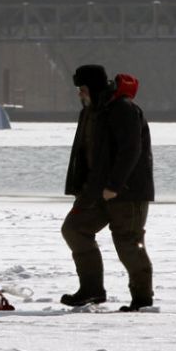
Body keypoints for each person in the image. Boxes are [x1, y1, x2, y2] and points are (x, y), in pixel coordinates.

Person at [61, 65, 155, 312]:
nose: (79, 94)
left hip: (127, 193)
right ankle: (92, 290)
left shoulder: (123, 109)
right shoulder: (91, 111)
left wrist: (114, 185)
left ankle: (142, 300)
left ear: (92, 87)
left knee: (128, 242)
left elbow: (130, 150)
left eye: (81, 89)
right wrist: (84, 188)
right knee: (74, 229)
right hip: (94, 191)